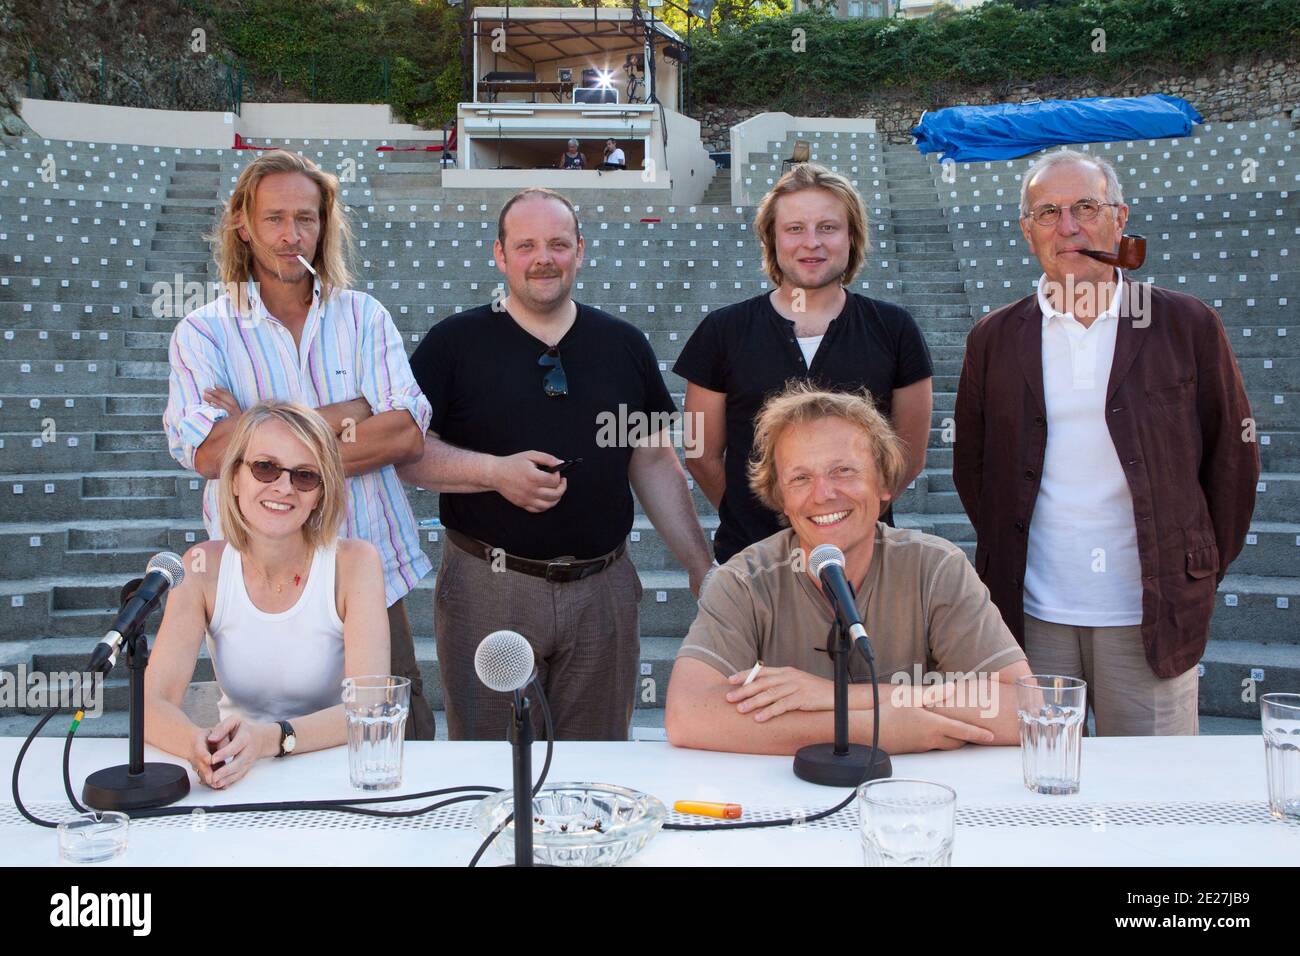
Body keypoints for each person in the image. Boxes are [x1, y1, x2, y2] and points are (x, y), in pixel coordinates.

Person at [953, 149, 1259, 736]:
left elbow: (1232, 462)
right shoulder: (994, 338)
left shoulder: (1184, 324)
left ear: (1119, 218)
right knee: (1035, 789)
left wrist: (1191, 567)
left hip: (1147, 612)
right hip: (1031, 613)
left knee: (1153, 799)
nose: (1068, 227)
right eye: (1048, 212)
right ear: (1027, 230)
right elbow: (974, 467)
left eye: (1086, 207)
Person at [399, 187, 714, 741]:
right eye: (525, 245)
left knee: (596, 767)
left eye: (557, 244)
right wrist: (495, 473)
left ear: (580, 251)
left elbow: (654, 461)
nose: (543, 257)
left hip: (603, 587)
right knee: (490, 765)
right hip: (488, 585)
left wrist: (697, 563)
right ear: (500, 255)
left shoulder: (623, 344)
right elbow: (408, 452)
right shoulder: (453, 343)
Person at [162, 148, 437, 739]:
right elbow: (210, 454)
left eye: (306, 219)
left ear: (324, 223)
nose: (292, 235)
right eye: (275, 218)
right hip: (256, 582)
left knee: (393, 733)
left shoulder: (364, 318)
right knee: (265, 740)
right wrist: (351, 412)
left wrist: (254, 433)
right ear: (243, 222)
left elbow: (407, 434)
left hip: (371, 569)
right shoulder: (202, 332)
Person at [666, 384, 1029, 755]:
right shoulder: (743, 580)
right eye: (801, 478)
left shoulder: (936, 567)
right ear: (781, 496)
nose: (823, 493)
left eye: (843, 471)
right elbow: (688, 713)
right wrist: (875, 728)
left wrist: (836, 697)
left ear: (885, 482)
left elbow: (1025, 708)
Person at [674, 163, 934, 566]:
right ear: (772, 239)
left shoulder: (894, 328)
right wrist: (757, 514)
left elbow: (908, 456)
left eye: (828, 227)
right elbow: (699, 453)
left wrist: (842, 518)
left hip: (863, 563)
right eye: (795, 228)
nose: (811, 242)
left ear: (852, 237)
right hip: (753, 562)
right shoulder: (722, 330)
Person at [145, 401, 390, 789]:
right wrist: (197, 744)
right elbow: (152, 702)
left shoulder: (356, 563)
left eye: (305, 476)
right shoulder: (200, 568)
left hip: (336, 771)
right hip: (238, 771)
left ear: (321, 495)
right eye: (265, 467)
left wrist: (271, 739)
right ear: (236, 479)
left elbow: (370, 704)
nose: (283, 487)